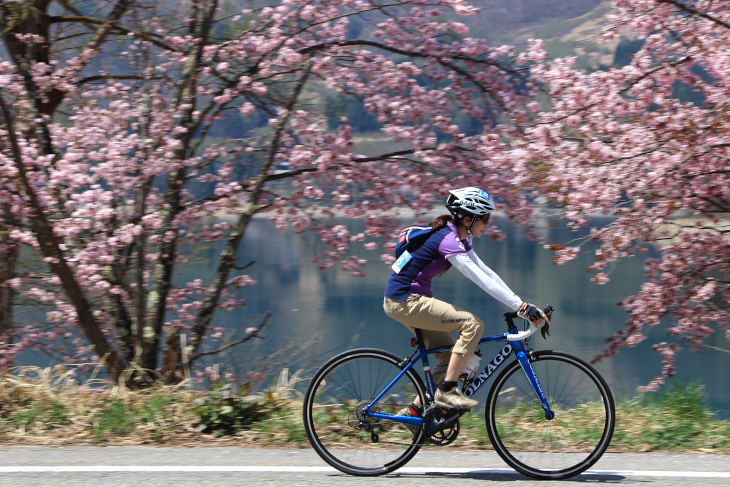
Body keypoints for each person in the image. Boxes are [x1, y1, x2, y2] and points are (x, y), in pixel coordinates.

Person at [383, 187, 548, 420]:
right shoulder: (448, 240)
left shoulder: (458, 237)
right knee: (472, 325)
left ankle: (414, 414)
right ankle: (447, 393)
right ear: (468, 219)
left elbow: (486, 271)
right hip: (405, 301)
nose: (488, 224)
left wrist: (522, 304)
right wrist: (521, 308)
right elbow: (478, 279)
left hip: (410, 301)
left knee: (457, 360)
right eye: (486, 218)